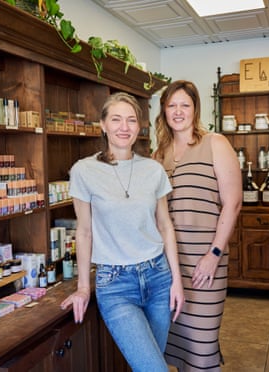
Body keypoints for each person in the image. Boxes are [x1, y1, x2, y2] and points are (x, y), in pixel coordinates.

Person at [60, 92, 185, 372]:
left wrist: (177, 280)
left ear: (140, 126)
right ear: (103, 125)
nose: (124, 127)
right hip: (116, 285)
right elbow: (84, 231)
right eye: (116, 119)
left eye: (131, 120)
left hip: (158, 278)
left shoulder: (153, 170)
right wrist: (82, 288)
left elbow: (165, 226)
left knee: (152, 363)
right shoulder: (84, 170)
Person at [153, 80, 242, 371]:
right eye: (172, 105)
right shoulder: (158, 155)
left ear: (195, 109)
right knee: (174, 345)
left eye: (185, 105)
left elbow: (233, 202)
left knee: (201, 347)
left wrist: (214, 254)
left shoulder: (215, 143)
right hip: (170, 266)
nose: (178, 111)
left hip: (205, 264)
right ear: (164, 111)